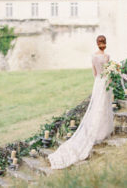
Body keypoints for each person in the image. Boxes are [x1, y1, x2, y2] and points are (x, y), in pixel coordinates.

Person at [48, 35, 114, 169]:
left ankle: (97, 129)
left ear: (97, 44)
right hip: (105, 83)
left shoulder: (93, 57)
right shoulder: (107, 57)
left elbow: (95, 73)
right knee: (103, 106)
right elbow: (108, 73)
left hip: (97, 83)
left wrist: (100, 79)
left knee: (96, 106)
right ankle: (102, 131)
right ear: (105, 43)